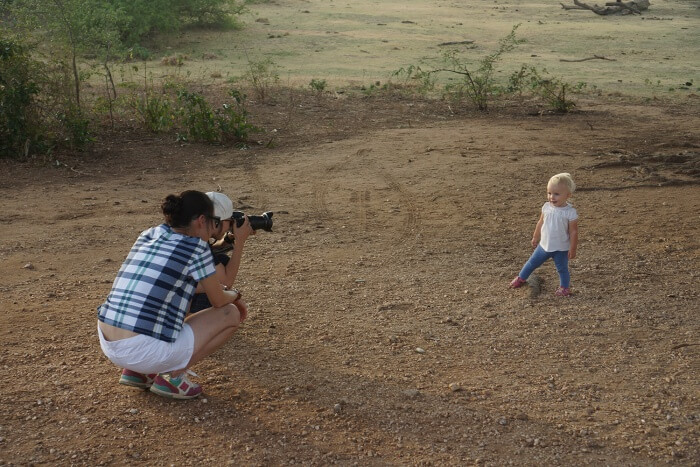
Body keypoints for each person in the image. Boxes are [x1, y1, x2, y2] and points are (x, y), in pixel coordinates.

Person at [97, 190, 248, 399]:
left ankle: (138, 373)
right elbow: (219, 301)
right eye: (215, 224)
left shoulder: (150, 234)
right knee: (230, 314)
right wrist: (235, 295)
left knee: (178, 297)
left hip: (109, 342)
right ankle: (172, 377)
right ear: (201, 220)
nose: (214, 232)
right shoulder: (197, 248)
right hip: (142, 349)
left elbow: (166, 283)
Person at [509, 173, 579, 296]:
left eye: (556, 194)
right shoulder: (546, 207)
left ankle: (564, 287)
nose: (552, 197)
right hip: (544, 245)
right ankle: (521, 278)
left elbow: (573, 232)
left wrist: (572, 248)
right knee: (531, 263)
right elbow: (540, 222)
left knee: (562, 269)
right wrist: (536, 236)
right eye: (549, 193)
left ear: (568, 195)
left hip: (561, 248)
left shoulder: (570, 213)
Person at [189, 191, 254, 314]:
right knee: (226, 307)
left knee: (222, 259)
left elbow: (211, 253)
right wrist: (240, 242)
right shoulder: (200, 244)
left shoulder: (194, 230)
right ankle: (197, 322)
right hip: (174, 308)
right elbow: (225, 281)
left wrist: (228, 240)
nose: (230, 225)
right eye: (229, 221)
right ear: (218, 221)